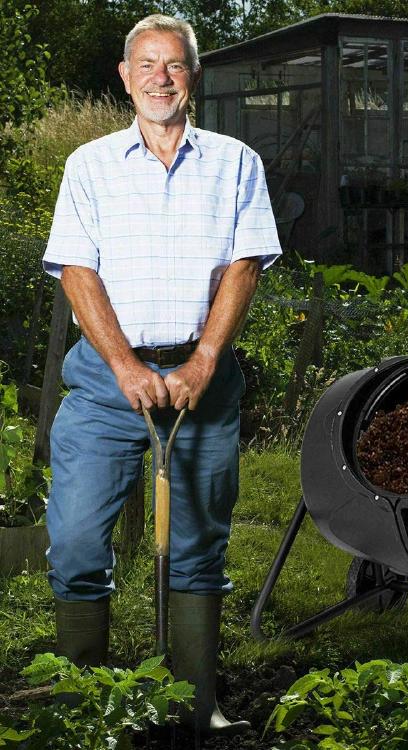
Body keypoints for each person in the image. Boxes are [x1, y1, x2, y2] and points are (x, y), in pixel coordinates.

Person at [42, 14, 282, 736]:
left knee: (197, 542)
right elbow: (77, 272)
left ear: (194, 76)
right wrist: (121, 365)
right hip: (103, 385)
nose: (159, 78)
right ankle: (86, 705)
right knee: (80, 539)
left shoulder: (236, 162)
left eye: (173, 64)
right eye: (145, 64)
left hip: (198, 382)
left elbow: (244, 266)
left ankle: (193, 703)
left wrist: (205, 360)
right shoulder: (89, 165)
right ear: (125, 76)